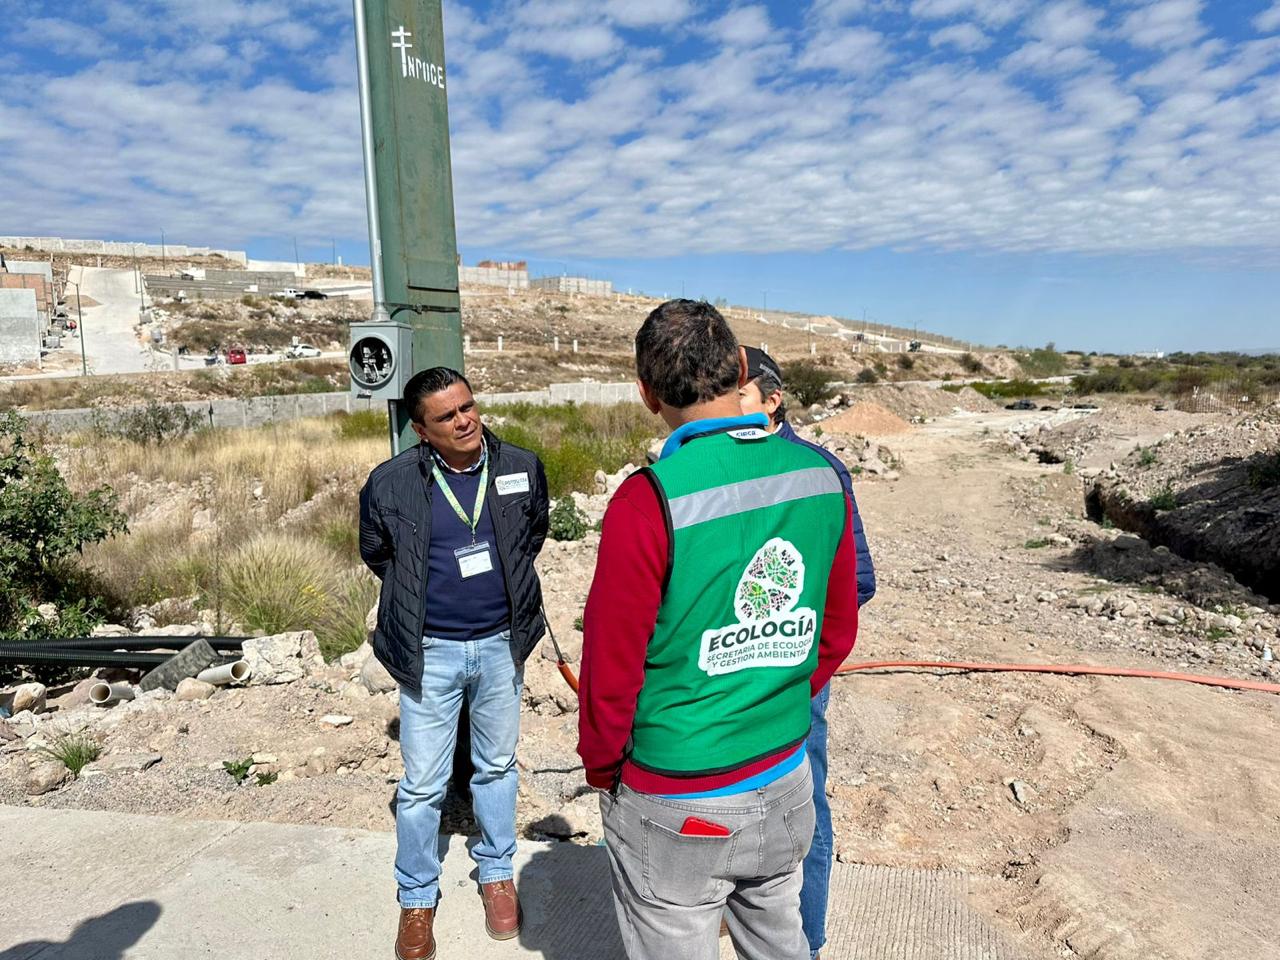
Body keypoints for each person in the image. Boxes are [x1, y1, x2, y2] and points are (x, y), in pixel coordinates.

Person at [578, 300, 860, 960]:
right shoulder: (820, 477)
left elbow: (611, 667)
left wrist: (605, 766)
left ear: (646, 394)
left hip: (676, 795)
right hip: (785, 774)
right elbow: (837, 630)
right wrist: (772, 698)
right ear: (739, 368)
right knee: (781, 940)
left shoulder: (648, 500)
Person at [359, 367, 550, 960]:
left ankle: (497, 872)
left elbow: (532, 534)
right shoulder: (390, 483)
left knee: (496, 766)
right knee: (422, 785)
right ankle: (417, 897)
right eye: (446, 416)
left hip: (500, 645)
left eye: (467, 406)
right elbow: (377, 551)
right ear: (422, 430)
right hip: (430, 651)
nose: (464, 421)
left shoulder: (520, 467)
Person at [739, 346, 876, 960]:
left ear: (773, 401)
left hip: (795, 677)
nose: (721, 406)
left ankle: (807, 941)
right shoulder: (711, 466)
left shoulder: (819, 472)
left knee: (803, 810)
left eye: (737, 393)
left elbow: (857, 581)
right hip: (724, 672)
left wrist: (796, 655)